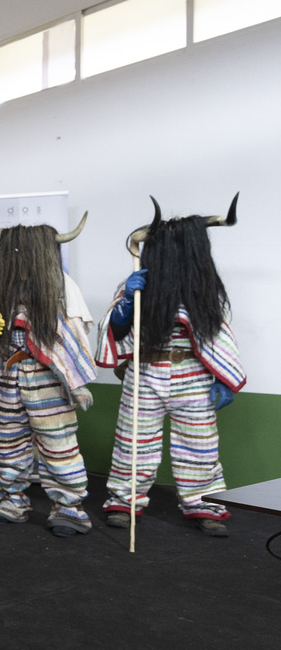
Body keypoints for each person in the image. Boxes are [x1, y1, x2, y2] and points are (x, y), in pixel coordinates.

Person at [96, 195, 244, 537]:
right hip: (146, 372)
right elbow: (116, 330)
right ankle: (124, 499)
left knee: (199, 442)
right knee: (134, 441)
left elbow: (219, 334)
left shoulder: (205, 292)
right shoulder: (138, 282)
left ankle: (200, 502)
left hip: (193, 375)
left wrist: (223, 377)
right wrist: (125, 306)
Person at [0, 213, 95, 537]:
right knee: (7, 443)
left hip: (48, 382)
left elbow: (73, 334)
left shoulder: (62, 289)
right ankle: (11, 498)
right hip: (5, 379)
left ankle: (69, 505)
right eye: (13, 254)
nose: (21, 263)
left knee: (59, 443)